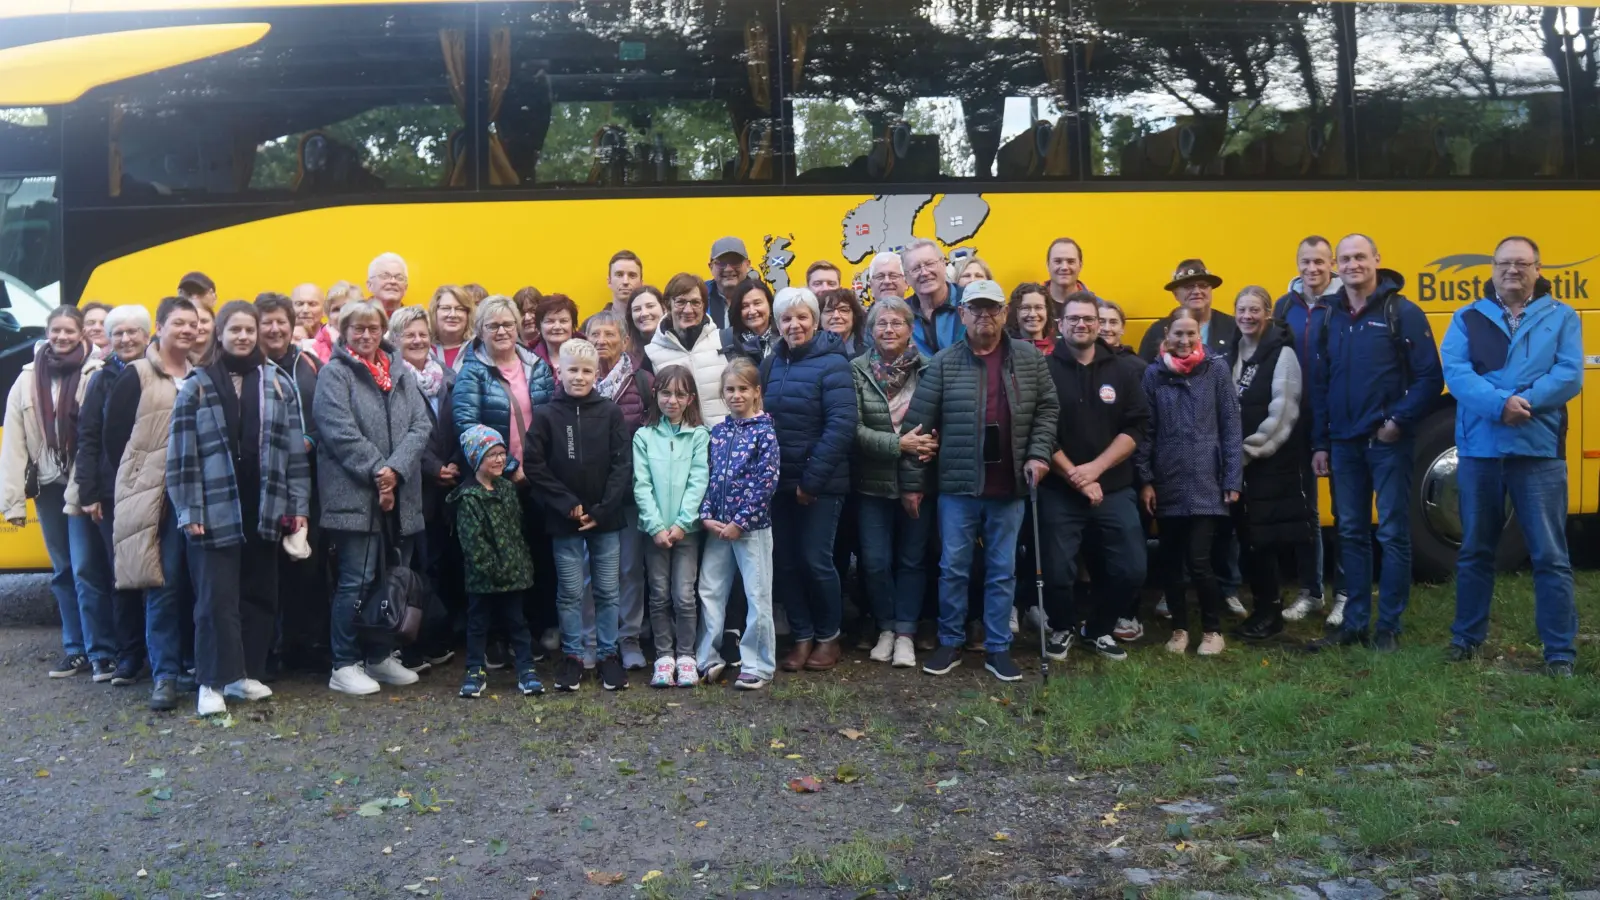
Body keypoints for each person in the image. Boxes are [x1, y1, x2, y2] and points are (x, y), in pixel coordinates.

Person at [900, 279, 1058, 682]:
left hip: (1010, 486)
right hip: (957, 486)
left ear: (1005, 313)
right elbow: (920, 426)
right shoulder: (944, 363)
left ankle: (997, 647)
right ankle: (950, 642)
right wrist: (915, 482)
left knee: (1002, 569)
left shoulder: (1028, 359)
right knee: (953, 567)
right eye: (976, 309)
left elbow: (1047, 411)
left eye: (992, 309)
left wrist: (1039, 454)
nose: (984, 316)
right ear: (963, 314)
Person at [1443, 237, 1582, 677]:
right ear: (1492, 268)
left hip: (1538, 450)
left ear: (1538, 269)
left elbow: (1569, 373)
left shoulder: (1563, 317)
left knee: (1549, 555)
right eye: (1504, 263)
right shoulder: (1466, 317)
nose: (1512, 271)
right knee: (1475, 550)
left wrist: (1522, 399)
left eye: (1522, 264)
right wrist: (1500, 403)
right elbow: (1457, 372)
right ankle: (1466, 639)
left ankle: (1559, 652)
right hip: (1481, 450)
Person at [167, 301, 310, 716]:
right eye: (236, 330)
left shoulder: (277, 383)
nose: (244, 336)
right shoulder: (197, 384)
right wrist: (189, 509)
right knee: (215, 599)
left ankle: (243, 674)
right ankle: (210, 682)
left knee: (259, 594)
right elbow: (180, 455)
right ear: (221, 334)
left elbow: (294, 452)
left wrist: (298, 506)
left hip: (263, 505)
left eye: (250, 330)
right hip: (213, 508)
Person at [1307, 234, 1443, 653]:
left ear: (1377, 261)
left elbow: (1430, 379)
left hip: (1387, 443)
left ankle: (1389, 628)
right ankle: (1354, 624)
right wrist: (1320, 442)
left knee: (1393, 533)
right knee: (1350, 532)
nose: (1351, 264)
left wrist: (1396, 421)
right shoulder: (1329, 316)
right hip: (1343, 445)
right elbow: (1320, 384)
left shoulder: (1402, 312)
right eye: (1344, 259)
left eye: (1359, 257)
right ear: (1335, 266)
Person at [313, 300, 432, 695]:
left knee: (393, 576)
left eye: (373, 328)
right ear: (344, 331)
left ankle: (380, 656)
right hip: (356, 498)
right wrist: (379, 471)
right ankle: (344, 663)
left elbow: (420, 425)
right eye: (357, 328)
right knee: (356, 580)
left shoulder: (399, 371)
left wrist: (394, 471)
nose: (366, 336)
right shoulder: (334, 374)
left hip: (401, 496)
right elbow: (338, 431)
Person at [1, 306, 111, 681]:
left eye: (69, 331)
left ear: (82, 334)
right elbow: (14, 443)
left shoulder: (95, 372)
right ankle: (74, 649)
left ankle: (100, 651)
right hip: (47, 486)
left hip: (81, 484)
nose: (62, 337)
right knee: (62, 570)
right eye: (55, 331)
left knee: (86, 568)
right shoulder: (26, 379)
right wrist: (13, 500)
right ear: (46, 333)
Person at [1039, 291, 1149, 660]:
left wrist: (1096, 471)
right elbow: (1039, 430)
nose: (1082, 324)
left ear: (1099, 324)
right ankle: (1063, 626)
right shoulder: (1043, 370)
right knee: (1056, 572)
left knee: (1132, 569)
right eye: (1074, 319)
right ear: (1060, 325)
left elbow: (1135, 429)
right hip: (1059, 488)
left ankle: (1098, 629)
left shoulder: (1123, 370)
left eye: (1089, 319)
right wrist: (1076, 476)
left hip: (1114, 488)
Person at [103, 296, 199, 711]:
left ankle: (198, 667)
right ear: (159, 327)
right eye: (178, 323)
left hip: (197, 494)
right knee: (163, 585)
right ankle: (165, 675)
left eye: (192, 324)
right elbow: (114, 438)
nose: (187, 330)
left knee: (200, 585)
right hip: (156, 498)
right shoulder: (137, 375)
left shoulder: (201, 374)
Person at [524, 339, 633, 693]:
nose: (579, 376)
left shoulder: (610, 412)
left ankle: (607, 656)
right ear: (560, 370)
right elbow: (534, 465)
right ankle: (572, 656)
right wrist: (566, 503)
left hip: (606, 519)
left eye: (587, 370)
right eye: (572, 369)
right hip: (564, 519)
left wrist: (603, 510)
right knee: (570, 591)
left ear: (597, 373)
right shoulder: (546, 415)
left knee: (607, 590)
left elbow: (622, 465)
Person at [1136, 307, 1243, 657]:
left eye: (1190, 334)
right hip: (1167, 481)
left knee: (1199, 560)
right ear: (1167, 335)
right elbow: (1146, 431)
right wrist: (1146, 480)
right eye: (1177, 334)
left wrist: (1232, 477)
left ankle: (1212, 630)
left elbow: (1230, 427)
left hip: (1206, 481)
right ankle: (1179, 628)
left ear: (1200, 336)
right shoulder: (1153, 375)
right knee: (1171, 561)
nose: (1184, 341)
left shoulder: (1216, 370)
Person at [762, 288, 858, 673]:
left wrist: (811, 482)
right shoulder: (771, 363)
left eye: (802, 317)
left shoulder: (834, 364)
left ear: (815, 322)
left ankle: (828, 636)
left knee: (815, 560)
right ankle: (801, 636)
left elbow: (841, 426)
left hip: (821, 485)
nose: (794, 324)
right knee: (784, 561)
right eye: (786, 318)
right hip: (777, 484)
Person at [851, 297, 937, 669]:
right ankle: (885, 626)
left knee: (913, 560)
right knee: (874, 561)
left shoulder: (930, 371)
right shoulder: (855, 371)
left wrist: (927, 452)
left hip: (917, 482)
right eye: (881, 324)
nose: (889, 330)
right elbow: (852, 430)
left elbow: (939, 425)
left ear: (910, 328)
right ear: (870, 332)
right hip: (872, 484)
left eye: (896, 323)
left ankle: (905, 633)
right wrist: (897, 444)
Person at [70, 304, 151, 686]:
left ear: (148, 335)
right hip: (110, 491)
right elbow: (86, 438)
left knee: (160, 574)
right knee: (122, 576)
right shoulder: (100, 381)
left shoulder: (158, 374)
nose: (126, 339)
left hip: (154, 490)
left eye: (133, 331)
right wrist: (89, 492)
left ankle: (163, 654)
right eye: (118, 333)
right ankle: (129, 655)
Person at [1229, 286, 1309, 641]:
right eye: (1241, 310)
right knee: (1249, 539)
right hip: (1240, 467)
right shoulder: (1235, 352)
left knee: (1266, 541)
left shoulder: (1283, 354)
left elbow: (1283, 415)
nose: (1247, 317)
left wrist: (1246, 452)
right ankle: (1261, 608)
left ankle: (1272, 613)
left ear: (1267, 313)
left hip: (1267, 464)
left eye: (1254, 310)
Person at [696, 359, 780, 690]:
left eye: (743, 389)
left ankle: (758, 663)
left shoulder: (765, 433)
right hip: (718, 528)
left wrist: (741, 522)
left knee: (757, 593)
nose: (736, 395)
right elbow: (710, 477)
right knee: (710, 590)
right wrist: (706, 514)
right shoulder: (718, 432)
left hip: (751, 529)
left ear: (757, 392)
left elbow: (766, 483)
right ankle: (708, 656)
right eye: (730, 389)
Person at [255, 292, 325, 668]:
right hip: (264, 481)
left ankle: (305, 642)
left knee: (306, 562)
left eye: (281, 321)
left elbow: (320, 414)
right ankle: (272, 645)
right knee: (268, 566)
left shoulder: (308, 364)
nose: (275, 328)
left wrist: (308, 441)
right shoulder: (250, 367)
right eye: (267, 322)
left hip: (308, 477)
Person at [1275, 236, 1343, 624]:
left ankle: (1346, 594)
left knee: (1344, 511)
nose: (1312, 269)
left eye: (1320, 262)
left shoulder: (1343, 304)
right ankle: (1311, 591)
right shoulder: (1287, 306)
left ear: (1331, 263)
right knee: (1306, 512)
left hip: (1336, 419)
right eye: (1306, 261)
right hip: (1296, 420)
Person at [390, 306, 461, 671]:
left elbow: (457, 422)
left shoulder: (446, 377)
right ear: (395, 340)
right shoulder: (392, 380)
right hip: (413, 487)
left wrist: (452, 463)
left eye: (421, 334)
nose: (416, 340)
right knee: (414, 567)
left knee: (440, 564)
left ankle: (436, 639)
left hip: (447, 485)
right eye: (408, 335)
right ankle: (408, 642)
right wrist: (434, 467)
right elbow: (401, 435)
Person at [632, 365, 711, 688]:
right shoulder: (644, 436)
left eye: (680, 394)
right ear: (655, 395)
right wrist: (655, 526)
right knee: (659, 594)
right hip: (654, 532)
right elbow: (641, 484)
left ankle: (686, 656)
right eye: (666, 393)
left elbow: (698, 481)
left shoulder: (699, 435)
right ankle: (664, 657)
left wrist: (681, 524)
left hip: (686, 532)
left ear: (690, 398)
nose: (672, 400)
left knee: (684, 595)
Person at [451, 425, 541, 698]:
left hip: (514, 574)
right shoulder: (469, 498)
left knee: (518, 622)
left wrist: (519, 565)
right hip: (483, 579)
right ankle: (475, 671)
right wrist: (493, 570)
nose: (500, 460)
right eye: (492, 455)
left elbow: (517, 530)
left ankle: (526, 669)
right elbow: (473, 544)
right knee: (478, 624)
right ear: (476, 459)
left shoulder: (507, 489)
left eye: (502, 453)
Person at [587, 308, 652, 669]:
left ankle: (628, 638)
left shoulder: (642, 382)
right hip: (587, 496)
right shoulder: (574, 379)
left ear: (626, 341)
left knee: (629, 569)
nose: (601, 341)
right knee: (587, 571)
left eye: (610, 335)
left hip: (627, 495)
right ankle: (593, 639)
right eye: (595, 335)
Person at [453, 295, 556, 476]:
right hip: (495, 478)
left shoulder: (537, 367)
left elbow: (554, 419)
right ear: (480, 331)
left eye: (508, 324)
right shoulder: (471, 373)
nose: (502, 332)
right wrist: (511, 468)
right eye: (493, 326)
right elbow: (467, 426)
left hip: (540, 473)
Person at [643, 273, 732, 425]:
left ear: (704, 306)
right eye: (681, 302)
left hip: (727, 443)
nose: (688, 310)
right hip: (683, 446)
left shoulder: (725, 341)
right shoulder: (652, 354)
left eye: (696, 302)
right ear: (667, 305)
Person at [1138, 259, 1238, 363]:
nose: (1196, 291)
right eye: (1188, 287)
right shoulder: (1157, 332)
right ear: (1175, 294)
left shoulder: (1232, 327)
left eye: (1203, 285)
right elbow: (1144, 373)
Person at [901, 238, 965, 356]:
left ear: (943, 264)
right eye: (916, 268)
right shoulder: (901, 314)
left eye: (930, 264)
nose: (924, 272)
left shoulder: (969, 302)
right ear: (906, 277)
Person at [722, 279, 779, 364]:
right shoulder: (731, 344)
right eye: (745, 306)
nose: (752, 311)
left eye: (757, 303)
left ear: (770, 305)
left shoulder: (784, 337)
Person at [704, 237, 751, 328]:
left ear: (748, 264)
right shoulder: (700, 296)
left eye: (735, 262)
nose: (728, 269)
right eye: (721, 263)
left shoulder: (760, 296)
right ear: (711, 267)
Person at [309, 281, 361, 363]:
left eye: (347, 307)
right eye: (336, 309)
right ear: (328, 315)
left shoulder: (372, 342)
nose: (341, 314)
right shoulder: (312, 350)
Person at [531, 293, 581, 376]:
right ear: (539, 326)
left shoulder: (591, 353)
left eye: (563, 321)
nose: (557, 327)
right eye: (550, 321)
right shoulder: (529, 360)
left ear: (573, 324)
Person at [429, 285, 476, 372]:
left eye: (460, 309)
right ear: (434, 311)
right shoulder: (422, 347)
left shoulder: (479, 348)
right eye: (446, 308)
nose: (452, 314)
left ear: (468, 314)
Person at [1006, 282, 1057, 355]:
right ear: (1015, 312)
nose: (1033, 314)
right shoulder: (1006, 351)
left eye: (1038, 307)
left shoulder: (1059, 349)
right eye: (1025, 308)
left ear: (1047, 311)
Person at [819, 288, 869, 359]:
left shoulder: (869, 348)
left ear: (854, 316)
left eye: (843, 310)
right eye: (829, 311)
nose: (836, 316)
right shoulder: (809, 350)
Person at [1044, 238, 1088, 308]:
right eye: (1058, 261)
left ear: (1080, 266)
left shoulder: (1097, 307)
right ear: (1047, 265)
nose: (1064, 267)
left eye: (1071, 261)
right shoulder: (1032, 305)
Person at [607, 250, 644, 318]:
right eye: (619, 275)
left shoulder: (653, 324)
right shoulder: (592, 325)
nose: (625, 281)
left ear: (641, 283)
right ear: (609, 281)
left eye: (632, 275)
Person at [627, 285, 665, 350]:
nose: (644, 313)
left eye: (650, 306)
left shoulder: (679, 343)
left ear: (664, 308)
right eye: (637, 309)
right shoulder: (624, 351)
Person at [191, 302, 215, 367]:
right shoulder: (175, 359)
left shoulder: (225, 357)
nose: (199, 327)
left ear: (214, 324)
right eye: (193, 322)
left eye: (204, 321)